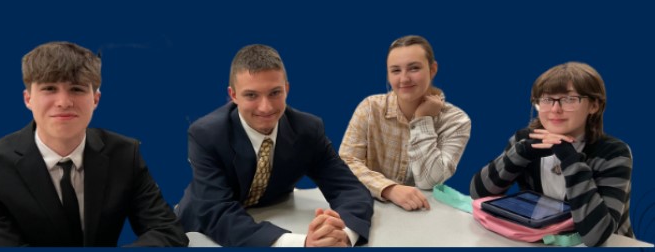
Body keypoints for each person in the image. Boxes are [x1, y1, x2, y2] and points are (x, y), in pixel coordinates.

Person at [0, 42, 188, 247]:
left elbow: (167, 231)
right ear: (28, 99)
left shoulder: (125, 154)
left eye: (77, 89)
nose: (63, 102)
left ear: (96, 99)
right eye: (49, 89)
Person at [175, 44, 373, 247]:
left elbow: (349, 189)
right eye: (251, 95)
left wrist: (343, 234)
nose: (266, 107)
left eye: (274, 93)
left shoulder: (308, 130)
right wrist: (302, 243)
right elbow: (218, 213)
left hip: (274, 214)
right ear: (233, 95)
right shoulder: (206, 135)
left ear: (286, 88)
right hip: (201, 232)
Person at [469, 62, 633, 246]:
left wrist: (569, 158)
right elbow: (478, 193)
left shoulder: (614, 153)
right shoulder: (525, 139)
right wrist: (520, 153)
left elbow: (596, 235)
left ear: (594, 105)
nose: (555, 109)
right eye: (547, 100)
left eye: (569, 99)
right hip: (541, 241)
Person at [339, 35, 471, 211]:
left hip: (423, 214)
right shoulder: (370, 108)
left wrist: (423, 120)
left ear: (433, 69)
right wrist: (389, 189)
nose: (404, 79)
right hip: (369, 208)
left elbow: (428, 181)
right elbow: (345, 163)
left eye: (414, 68)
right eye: (395, 71)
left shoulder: (456, 121)